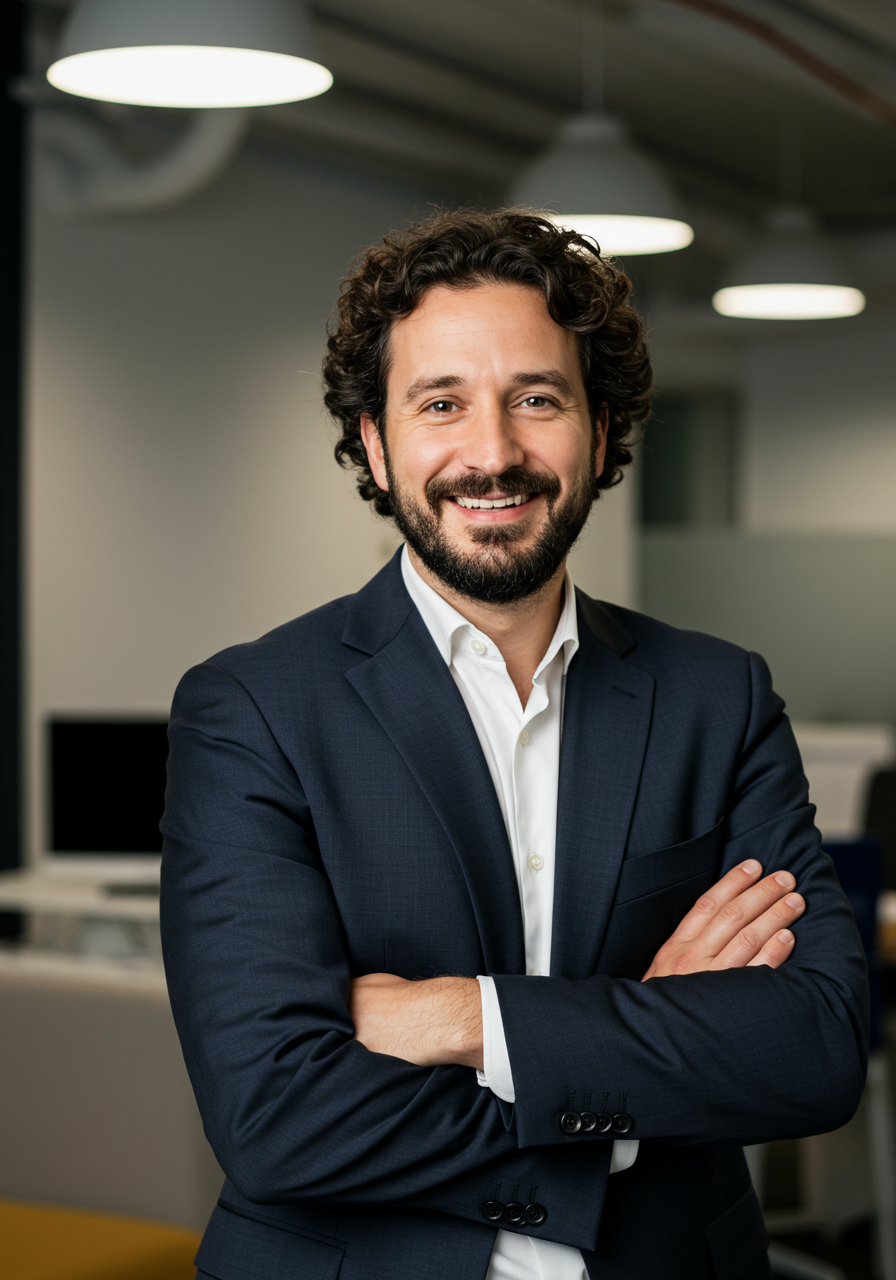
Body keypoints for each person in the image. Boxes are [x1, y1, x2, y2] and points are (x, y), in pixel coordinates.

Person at [160, 209, 868, 1280]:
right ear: (374, 439)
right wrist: (632, 1088)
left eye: (535, 398)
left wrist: (461, 1015)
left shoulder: (713, 695)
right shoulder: (252, 709)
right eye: (440, 403)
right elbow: (276, 1111)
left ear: (599, 426)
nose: (491, 453)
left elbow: (811, 1047)